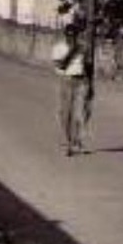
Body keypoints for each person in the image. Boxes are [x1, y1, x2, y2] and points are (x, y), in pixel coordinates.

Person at [52, 27, 89, 156]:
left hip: (81, 82)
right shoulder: (58, 48)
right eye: (69, 36)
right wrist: (72, 51)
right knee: (66, 114)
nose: (71, 38)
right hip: (66, 81)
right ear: (65, 36)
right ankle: (67, 143)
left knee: (81, 114)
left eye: (74, 35)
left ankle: (78, 142)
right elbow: (59, 66)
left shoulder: (83, 48)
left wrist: (90, 85)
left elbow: (88, 66)